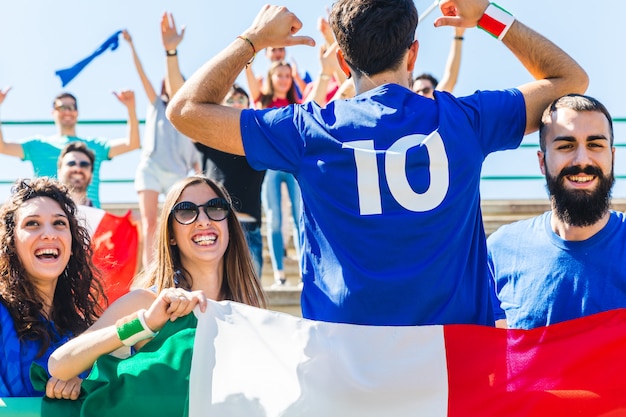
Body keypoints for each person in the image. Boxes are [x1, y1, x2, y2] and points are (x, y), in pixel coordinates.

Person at [166, 0, 588, 326]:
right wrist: (488, 16)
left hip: (346, 370)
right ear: (414, 53)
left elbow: (185, 110)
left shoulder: (308, 130)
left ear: (344, 63)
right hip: (453, 369)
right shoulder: (465, 121)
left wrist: (255, 39)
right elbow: (571, 81)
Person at [48, 175, 266, 388]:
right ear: (171, 235)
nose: (203, 220)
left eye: (216, 208)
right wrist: (144, 323)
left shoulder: (246, 309)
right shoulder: (147, 302)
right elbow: (60, 364)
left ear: (229, 225)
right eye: (186, 211)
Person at [488, 94, 626, 330]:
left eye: (595, 145)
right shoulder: (501, 250)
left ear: (612, 157)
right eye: (565, 146)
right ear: (542, 162)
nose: (582, 159)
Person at [0, 177, 105, 398]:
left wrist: (82, 385)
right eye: (32, 224)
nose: (49, 233)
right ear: (11, 242)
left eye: (59, 223)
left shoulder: (80, 330)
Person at [122, 12, 201, 268]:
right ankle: (150, 273)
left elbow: (199, 161)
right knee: (149, 222)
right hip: (151, 167)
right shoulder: (157, 104)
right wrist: (133, 45)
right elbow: (141, 73)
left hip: (178, 173)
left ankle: (178, 267)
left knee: (179, 221)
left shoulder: (192, 116)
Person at [0, 90, 140, 208]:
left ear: (77, 112)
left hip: (90, 215)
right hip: (51, 213)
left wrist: (131, 108)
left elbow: (132, 144)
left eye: (71, 107)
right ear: (53, 112)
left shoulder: (94, 146)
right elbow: (3, 147)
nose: (67, 111)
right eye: (61, 107)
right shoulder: (38, 145)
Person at [194, 85, 266, 277]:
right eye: (230, 99)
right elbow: (185, 110)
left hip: (248, 228)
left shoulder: (260, 140)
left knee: (250, 302)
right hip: (214, 227)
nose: (236, 103)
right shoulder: (207, 137)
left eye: (241, 99)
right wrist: (171, 54)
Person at [245, 60, 303, 287]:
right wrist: (248, 59)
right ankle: (280, 274)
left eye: (287, 75)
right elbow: (249, 79)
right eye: (279, 75)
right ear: (271, 77)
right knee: (275, 219)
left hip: (291, 165)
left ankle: (302, 273)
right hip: (270, 167)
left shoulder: (296, 103)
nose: (283, 79)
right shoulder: (263, 100)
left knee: (299, 219)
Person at [413, 27, 466, 98]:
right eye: (416, 92)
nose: (421, 94)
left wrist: (458, 35)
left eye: (426, 90)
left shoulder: (438, 102)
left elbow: (451, 76)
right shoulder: (407, 106)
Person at [57, 141, 96, 207]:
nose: (78, 169)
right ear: (59, 173)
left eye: (84, 165)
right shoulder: (44, 211)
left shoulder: (102, 216)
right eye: (71, 163)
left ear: (91, 176)